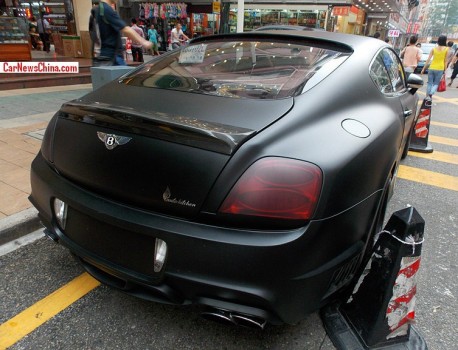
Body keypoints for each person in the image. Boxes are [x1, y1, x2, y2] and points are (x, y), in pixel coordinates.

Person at [95, 0, 152, 66]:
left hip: (105, 56)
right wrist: (144, 42)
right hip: (112, 57)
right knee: (124, 76)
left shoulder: (98, 9)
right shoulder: (107, 9)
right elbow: (126, 29)